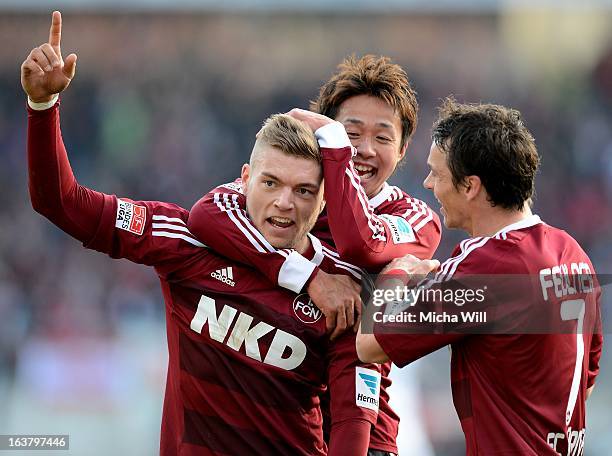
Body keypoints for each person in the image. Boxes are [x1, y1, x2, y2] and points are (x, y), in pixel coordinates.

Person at [23, 11, 381, 455]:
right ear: (245, 178)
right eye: (271, 183)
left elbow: (352, 418)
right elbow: (61, 202)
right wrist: (43, 108)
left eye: (304, 190)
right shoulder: (187, 243)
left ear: (324, 201)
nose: (285, 203)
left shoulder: (342, 293)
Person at [187, 55, 442, 456]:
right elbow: (207, 213)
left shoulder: (414, 218)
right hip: (279, 419)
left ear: (404, 148)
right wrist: (309, 277)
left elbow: (364, 244)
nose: (365, 150)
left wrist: (337, 149)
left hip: (364, 430)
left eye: (383, 137)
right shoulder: (292, 197)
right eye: (351, 134)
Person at [356, 98, 604, 455]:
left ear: (470, 186)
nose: (427, 183)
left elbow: (370, 344)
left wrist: (395, 274)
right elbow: (585, 384)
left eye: (437, 174)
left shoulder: (485, 267)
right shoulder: (574, 254)